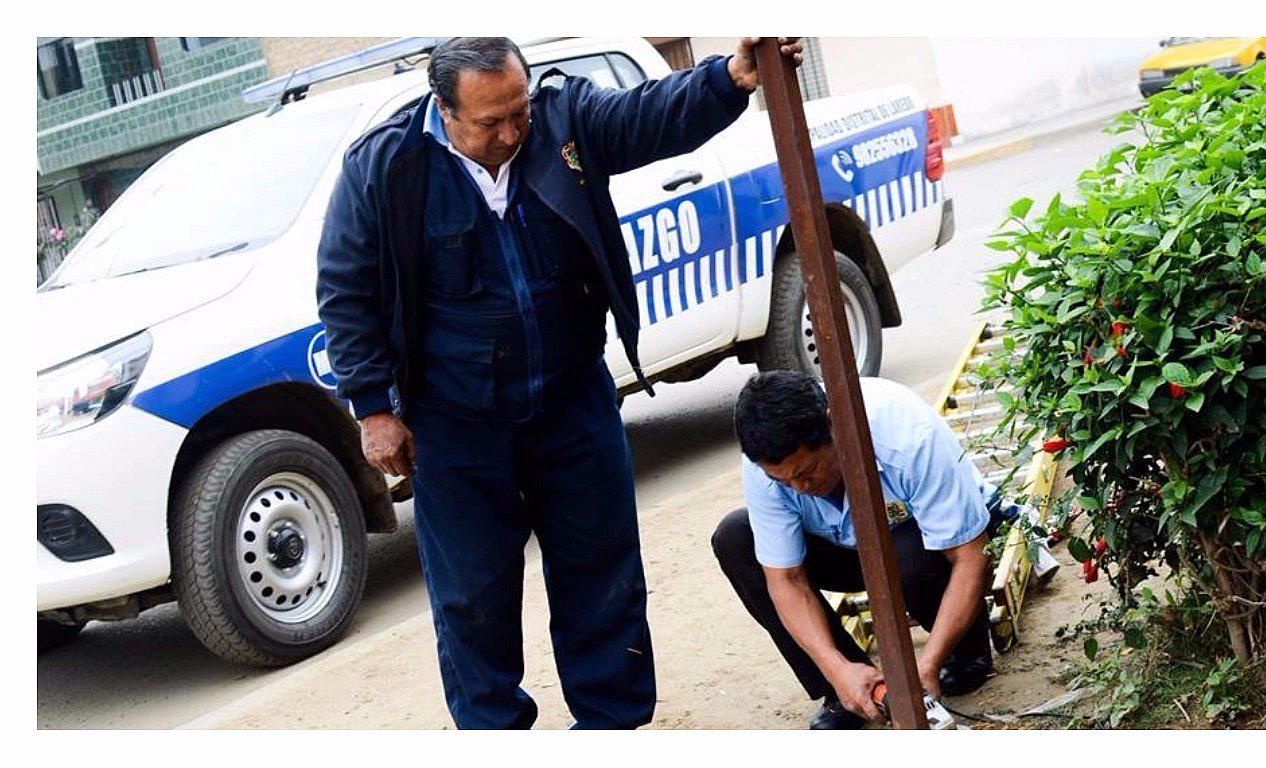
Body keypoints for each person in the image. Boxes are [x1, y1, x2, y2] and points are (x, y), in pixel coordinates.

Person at [316, 36, 804, 729]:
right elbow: (344, 288)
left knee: (601, 572)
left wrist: (730, 77)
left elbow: (648, 114)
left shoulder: (563, 123)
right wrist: (373, 408)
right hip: (455, 422)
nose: (512, 133)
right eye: (491, 122)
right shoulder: (387, 167)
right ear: (444, 110)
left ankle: (611, 726)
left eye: (519, 112)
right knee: (472, 598)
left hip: (571, 396)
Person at [712, 371, 997, 729]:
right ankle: (851, 689)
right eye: (784, 481)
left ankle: (963, 654)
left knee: (906, 550)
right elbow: (785, 579)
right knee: (735, 539)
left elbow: (970, 555)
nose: (799, 488)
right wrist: (837, 669)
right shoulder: (768, 464)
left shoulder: (907, 435)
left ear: (835, 425)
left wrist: (927, 665)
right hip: (843, 547)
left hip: (922, 544)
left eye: (808, 471)